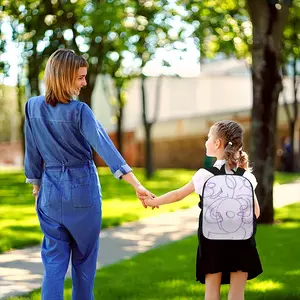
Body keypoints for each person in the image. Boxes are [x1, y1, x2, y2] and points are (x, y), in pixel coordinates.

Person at [24, 48, 153, 300]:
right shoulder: (79, 111)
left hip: (49, 194)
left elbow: (32, 153)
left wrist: (37, 189)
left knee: (53, 265)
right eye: (80, 77)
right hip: (82, 192)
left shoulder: (32, 107)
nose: (84, 83)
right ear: (64, 77)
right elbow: (107, 148)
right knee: (83, 265)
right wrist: (136, 184)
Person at [144, 120, 263, 300]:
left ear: (217, 144)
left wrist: (154, 202)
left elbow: (178, 195)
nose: (206, 142)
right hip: (241, 242)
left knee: (211, 294)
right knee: (237, 294)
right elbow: (256, 212)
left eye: (208, 138)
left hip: (212, 243)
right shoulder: (247, 176)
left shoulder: (205, 175)